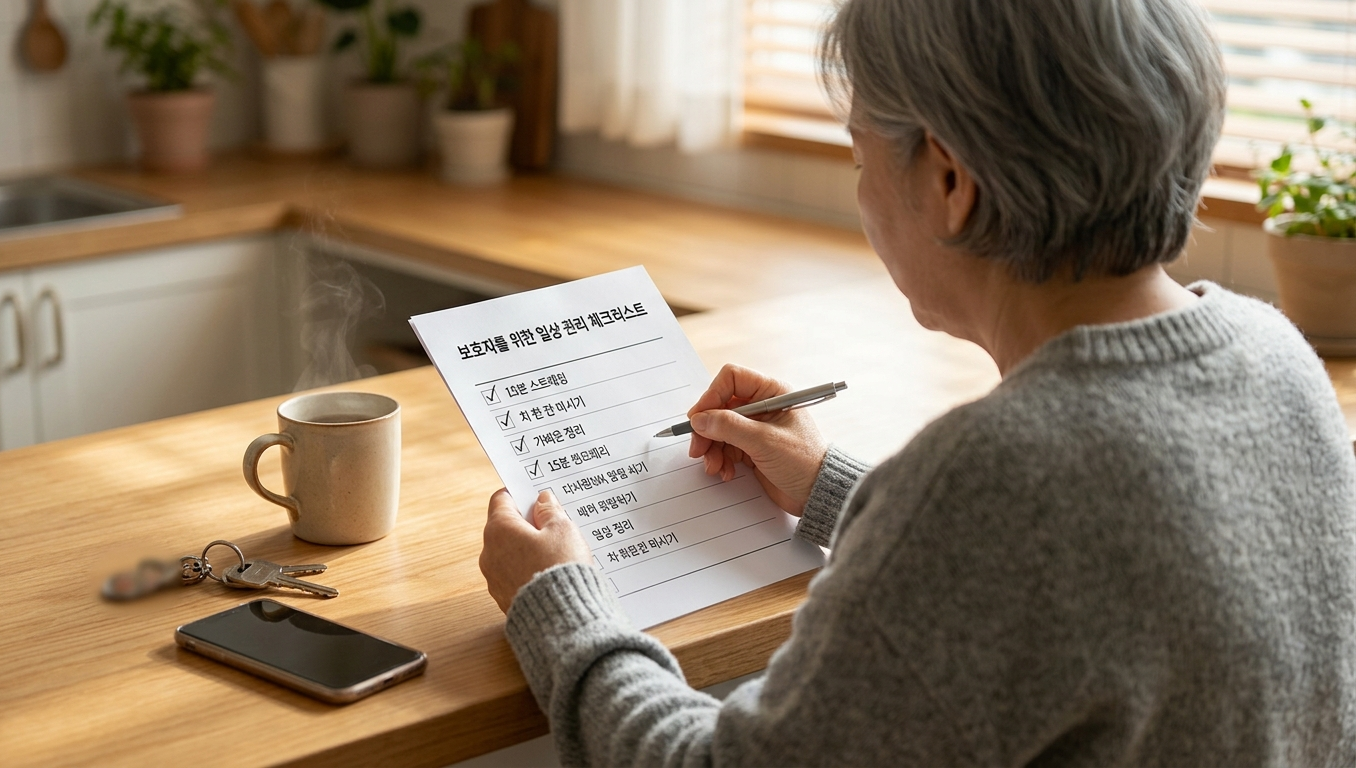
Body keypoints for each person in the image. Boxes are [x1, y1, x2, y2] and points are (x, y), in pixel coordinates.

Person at [479, 0, 1356, 764]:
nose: (862, 193)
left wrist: (557, 603)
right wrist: (837, 489)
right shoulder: (1277, 358)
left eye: (861, 158)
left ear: (948, 181)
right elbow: (1075, 586)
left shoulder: (997, 478)